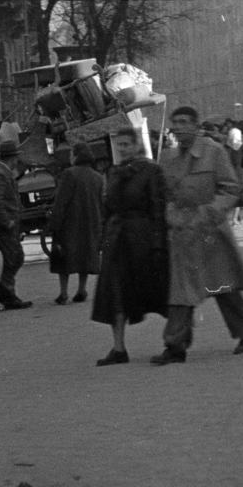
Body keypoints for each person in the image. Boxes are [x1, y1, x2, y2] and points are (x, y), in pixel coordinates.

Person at [153, 106, 243, 364]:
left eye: (184, 122)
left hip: (210, 232)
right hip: (181, 232)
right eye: (175, 122)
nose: (178, 127)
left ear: (196, 125)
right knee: (180, 292)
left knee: (224, 287)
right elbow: (164, 194)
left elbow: (230, 188)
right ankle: (175, 346)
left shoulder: (213, 152)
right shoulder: (167, 158)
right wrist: (170, 213)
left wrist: (210, 211)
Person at [91, 128, 170, 365]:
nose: (122, 149)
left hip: (142, 239)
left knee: (158, 289)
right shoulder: (113, 172)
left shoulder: (152, 170)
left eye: (127, 144)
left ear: (137, 145)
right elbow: (107, 208)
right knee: (115, 292)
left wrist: (158, 243)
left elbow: (158, 208)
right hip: (117, 240)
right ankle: (118, 348)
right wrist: (103, 239)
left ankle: (175, 341)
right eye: (119, 145)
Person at [0, 135, 33, 310]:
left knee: (10, 257)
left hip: (4, 223)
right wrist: (7, 221)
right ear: (12, 157)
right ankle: (7, 294)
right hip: (2, 225)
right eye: (16, 157)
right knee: (13, 258)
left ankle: (2, 291)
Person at [47, 147, 104, 304]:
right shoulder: (98, 177)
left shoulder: (69, 174)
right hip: (91, 223)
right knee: (85, 255)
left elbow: (61, 201)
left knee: (63, 256)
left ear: (76, 156)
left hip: (70, 223)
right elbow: (101, 203)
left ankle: (63, 292)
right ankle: (81, 289)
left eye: (72, 154)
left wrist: (54, 222)